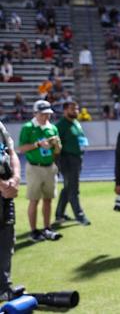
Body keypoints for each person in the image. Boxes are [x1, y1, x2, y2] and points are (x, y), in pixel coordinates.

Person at [17, 101, 62, 242]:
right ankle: (33, 231)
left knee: (48, 199)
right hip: (35, 167)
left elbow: (58, 151)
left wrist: (56, 145)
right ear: (35, 113)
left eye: (48, 114)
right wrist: (37, 144)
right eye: (43, 114)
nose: (46, 117)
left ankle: (47, 228)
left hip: (50, 166)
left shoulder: (52, 128)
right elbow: (22, 149)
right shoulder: (28, 127)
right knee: (34, 200)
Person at [54, 101, 90, 225]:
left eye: (77, 108)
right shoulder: (61, 125)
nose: (76, 111)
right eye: (72, 109)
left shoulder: (76, 123)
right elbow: (56, 146)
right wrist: (57, 164)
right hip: (67, 160)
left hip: (77, 158)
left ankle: (59, 214)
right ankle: (79, 215)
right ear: (65, 111)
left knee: (67, 188)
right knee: (73, 189)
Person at [0, 120, 21, 301]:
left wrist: (15, 178)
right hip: (3, 189)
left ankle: (4, 287)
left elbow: (11, 153)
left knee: (6, 240)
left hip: (5, 195)